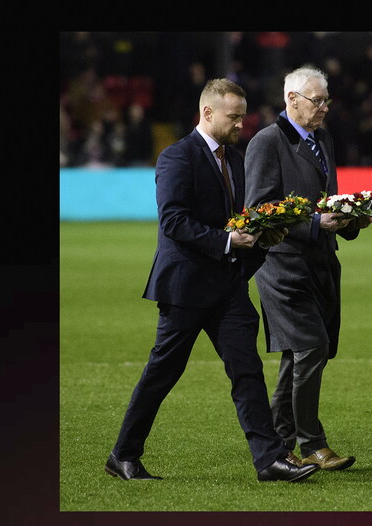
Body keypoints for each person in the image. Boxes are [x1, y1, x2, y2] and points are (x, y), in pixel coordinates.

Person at [105, 78, 319, 484]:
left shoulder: (234, 159)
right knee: (161, 375)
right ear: (207, 112)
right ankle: (123, 454)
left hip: (226, 287)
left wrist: (261, 235)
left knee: (247, 371)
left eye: (243, 116)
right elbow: (173, 221)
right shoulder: (176, 157)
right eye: (234, 117)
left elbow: (233, 218)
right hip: (185, 288)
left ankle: (269, 459)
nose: (241, 124)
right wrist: (226, 240)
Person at [244, 65, 372, 472]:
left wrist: (350, 218)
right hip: (282, 265)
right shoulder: (266, 142)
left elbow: (325, 201)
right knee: (312, 347)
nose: (324, 109)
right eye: (317, 101)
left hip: (319, 262)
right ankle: (313, 443)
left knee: (296, 356)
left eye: (326, 102)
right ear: (291, 100)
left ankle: (279, 446)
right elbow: (259, 210)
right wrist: (315, 224)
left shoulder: (322, 138)